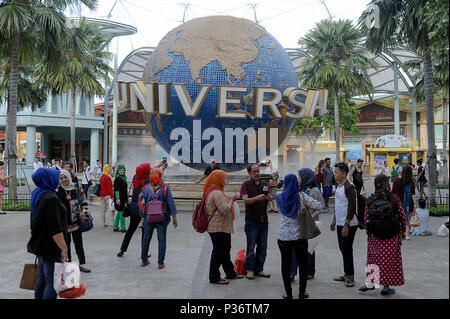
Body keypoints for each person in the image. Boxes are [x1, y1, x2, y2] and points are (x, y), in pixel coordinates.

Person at [276, 174, 322, 299]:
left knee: (285, 265)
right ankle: (302, 292)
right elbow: (319, 205)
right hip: (300, 236)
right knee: (303, 264)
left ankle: (288, 293)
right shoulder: (302, 196)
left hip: (283, 237)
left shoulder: (279, 197)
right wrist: (309, 212)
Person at [359, 174, 406, 296]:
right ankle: (386, 287)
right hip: (392, 237)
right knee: (389, 261)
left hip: (375, 236)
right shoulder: (394, 199)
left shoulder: (370, 199)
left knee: (373, 259)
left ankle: (370, 283)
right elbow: (402, 217)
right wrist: (403, 232)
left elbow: (366, 219)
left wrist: (369, 233)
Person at [27, 168, 69, 299]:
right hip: (51, 247)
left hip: (40, 243)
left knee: (43, 279)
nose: (58, 180)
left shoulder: (38, 193)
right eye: (56, 177)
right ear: (48, 179)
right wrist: (64, 249)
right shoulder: (51, 199)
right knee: (52, 283)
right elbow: (55, 230)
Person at [204, 169, 242, 284]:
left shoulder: (213, 191)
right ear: (218, 179)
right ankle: (214, 277)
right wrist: (232, 200)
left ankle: (230, 273)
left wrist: (229, 200)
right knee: (218, 252)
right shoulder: (217, 193)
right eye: (224, 178)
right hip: (218, 228)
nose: (225, 181)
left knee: (225, 251)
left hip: (221, 227)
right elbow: (225, 210)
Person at [139, 168, 178, 268]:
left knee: (146, 239)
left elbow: (142, 204)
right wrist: (174, 218)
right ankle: (160, 263)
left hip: (148, 217)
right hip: (162, 217)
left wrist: (142, 218)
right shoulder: (165, 187)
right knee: (162, 240)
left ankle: (144, 260)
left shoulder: (145, 188)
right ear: (160, 176)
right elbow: (171, 203)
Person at [290, 168, 325, 281]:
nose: (298, 179)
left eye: (300, 176)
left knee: (309, 249)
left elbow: (321, 206)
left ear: (306, 177)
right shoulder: (299, 189)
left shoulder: (314, 190)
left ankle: (309, 272)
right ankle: (292, 272)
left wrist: (310, 218)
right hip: (299, 222)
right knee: (295, 247)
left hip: (310, 223)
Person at [240, 163, 272, 280]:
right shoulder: (246, 185)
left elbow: (270, 195)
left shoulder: (264, 184)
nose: (257, 173)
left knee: (263, 247)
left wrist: (269, 197)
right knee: (251, 246)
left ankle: (259, 269)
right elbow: (246, 200)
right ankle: (250, 270)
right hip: (251, 222)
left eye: (258, 171)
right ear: (249, 173)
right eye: (254, 171)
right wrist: (258, 198)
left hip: (263, 220)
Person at [56, 170, 90, 273]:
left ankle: (82, 263)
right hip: (64, 223)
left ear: (69, 177)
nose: (64, 180)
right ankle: (68, 265)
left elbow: (83, 201)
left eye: (65, 177)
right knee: (66, 244)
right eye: (61, 178)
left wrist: (83, 211)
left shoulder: (76, 188)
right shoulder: (58, 190)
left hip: (76, 222)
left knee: (78, 243)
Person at [330, 162, 359, 288]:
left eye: (336, 172)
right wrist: (334, 220)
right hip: (340, 223)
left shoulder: (349, 187)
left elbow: (352, 207)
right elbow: (339, 206)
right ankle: (347, 273)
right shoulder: (340, 186)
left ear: (343, 173)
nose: (334, 174)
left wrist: (346, 224)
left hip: (349, 224)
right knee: (343, 249)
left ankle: (349, 277)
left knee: (346, 249)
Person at [117, 163, 151, 257]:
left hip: (134, 208)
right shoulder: (147, 180)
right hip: (143, 208)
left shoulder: (135, 177)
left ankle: (122, 250)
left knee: (130, 230)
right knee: (145, 232)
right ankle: (144, 253)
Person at [392, 165, 417, 240]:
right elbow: (413, 193)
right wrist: (415, 204)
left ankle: (398, 234)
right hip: (408, 203)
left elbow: (393, 191)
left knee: (398, 217)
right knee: (407, 218)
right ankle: (406, 235)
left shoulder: (396, 180)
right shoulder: (411, 181)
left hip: (397, 202)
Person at [113, 164, 128, 233]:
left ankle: (115, 227)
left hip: (123, 198)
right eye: (120, 170)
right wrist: (117, 199)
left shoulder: (123, 178)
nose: (121, 171)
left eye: (122, 170)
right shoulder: (117, 179)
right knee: (122, 213)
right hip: (120, 199)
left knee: (119, 212)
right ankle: (123, 228)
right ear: (118, 171)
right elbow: (117, 190)